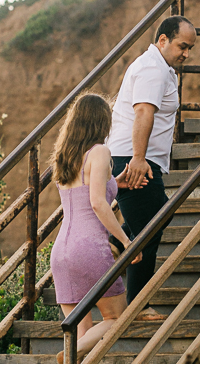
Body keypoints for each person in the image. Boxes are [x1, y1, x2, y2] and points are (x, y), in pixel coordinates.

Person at [108, 15, 196, 319]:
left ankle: (113, 243)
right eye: (182, 46)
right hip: (133, 158)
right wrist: (139, 158)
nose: (186, 53)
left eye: (190, 48)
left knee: (158, 214)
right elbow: (143, 111)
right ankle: (137, 306)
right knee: (148, 231)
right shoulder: (152, 70)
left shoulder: (161, 69)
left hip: (139, 157)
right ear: (162, 40)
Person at [49, 93, 145, 363]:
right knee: (116, 317)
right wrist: (126, 242)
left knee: (80, 333)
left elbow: (85, 190)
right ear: (100, 122)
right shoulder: (100, 152)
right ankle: (67, 355)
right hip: (89, 249)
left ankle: (71, 356)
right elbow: (97, 204)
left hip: (62, 253)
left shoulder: (65, 157)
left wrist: (115, 182)